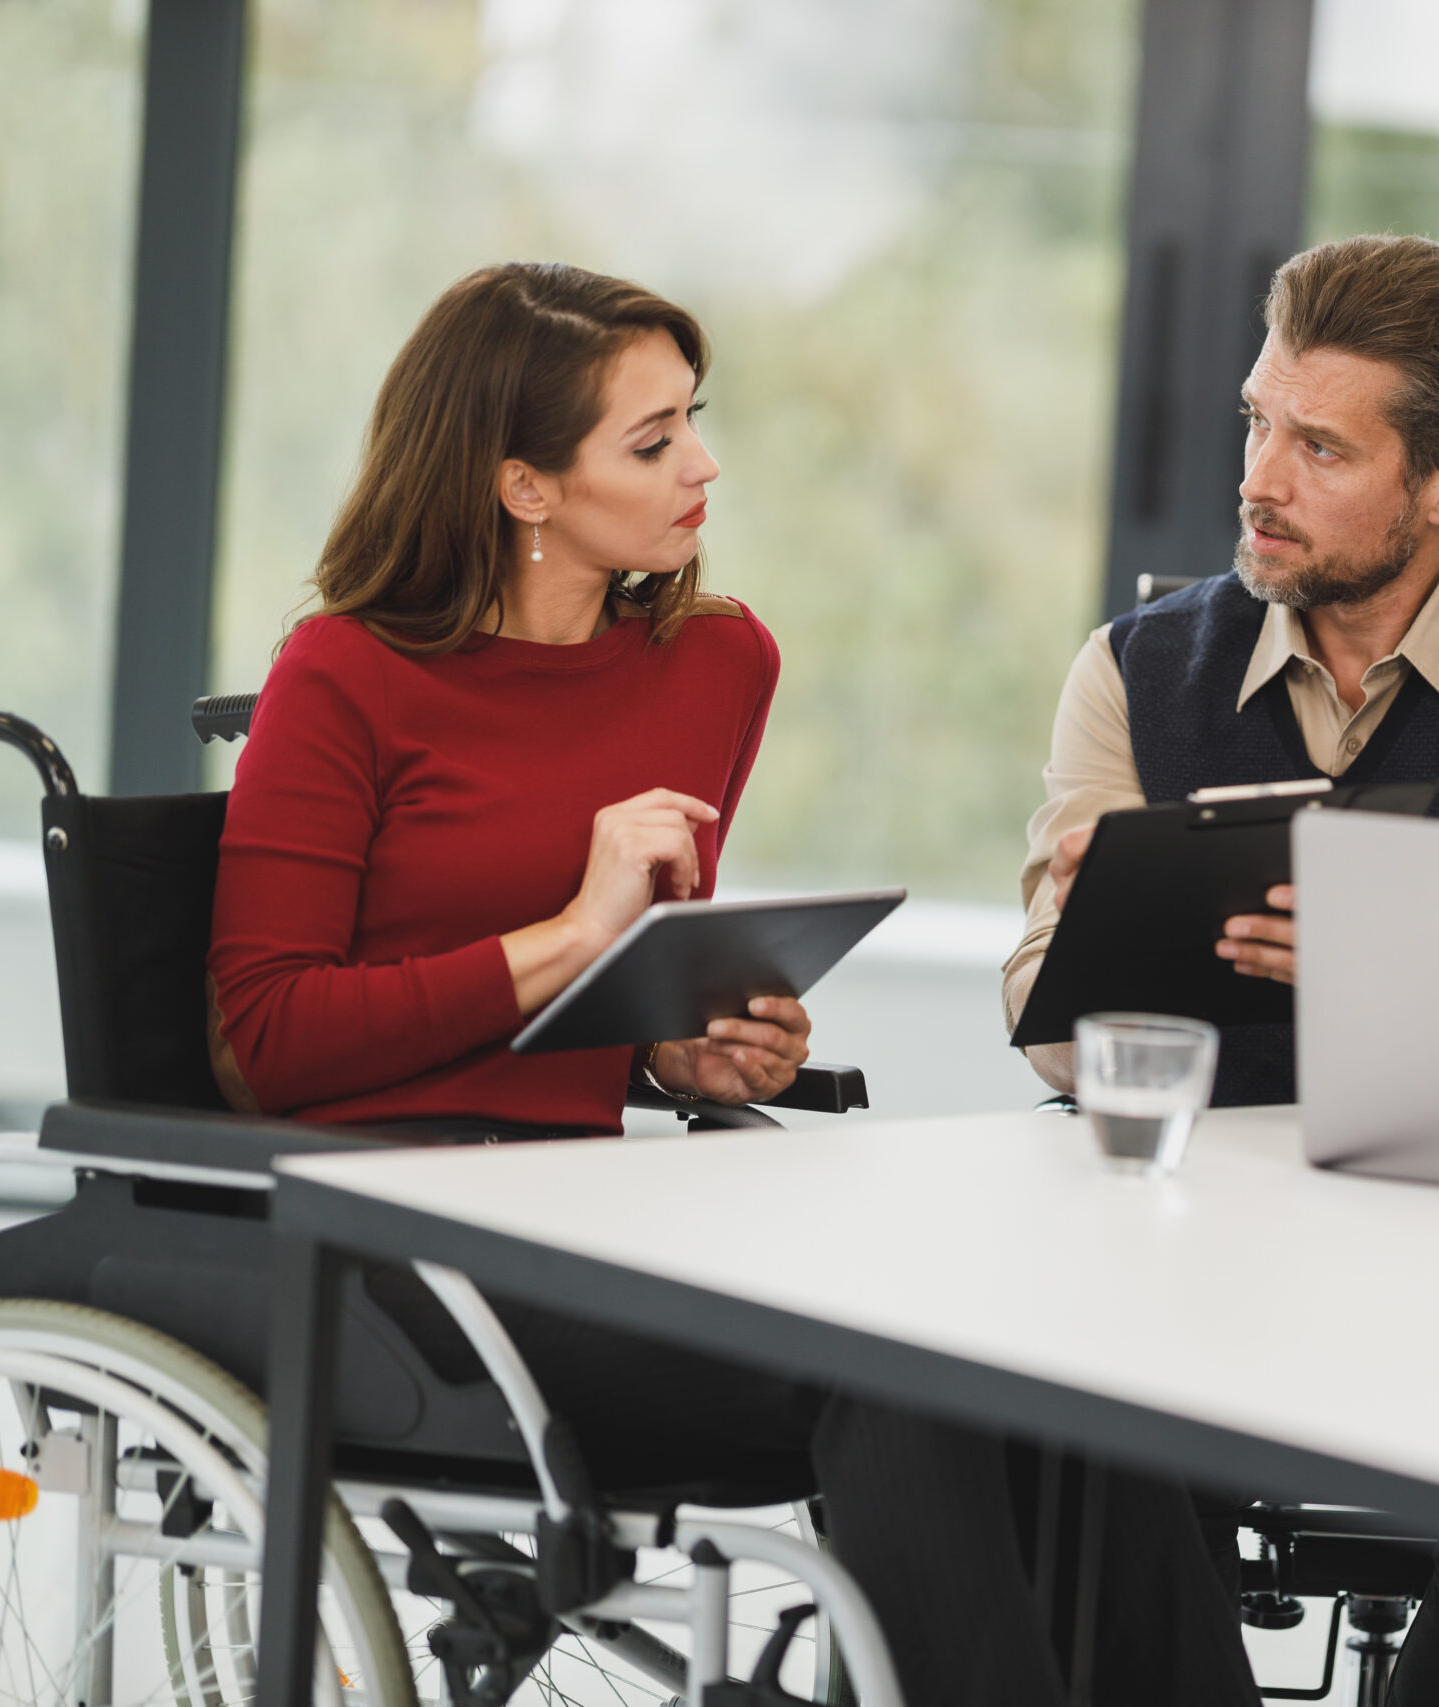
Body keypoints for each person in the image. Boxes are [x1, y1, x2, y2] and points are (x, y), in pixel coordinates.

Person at [207, 261, 1255, 1707]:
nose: (704, 464)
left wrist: (672, 1047)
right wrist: (573, 940)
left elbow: (589, 1012)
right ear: (521, 485)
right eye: (651, 442)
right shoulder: (343, 676)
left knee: (1036, 1340)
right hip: (390, 1245)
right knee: (890, 1370)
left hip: (596, 1205)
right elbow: (266, 1040)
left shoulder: (713, 664)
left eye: (695, 420)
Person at [1004, 234, 1439, 1705]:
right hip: (1198, 1257)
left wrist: (1404, 971)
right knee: (1067, 1446)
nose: (1260, 476)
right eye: (1258, 421)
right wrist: (1102, 944)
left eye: (1320, 446)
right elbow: (1043, 1034)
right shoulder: (1132, 672)